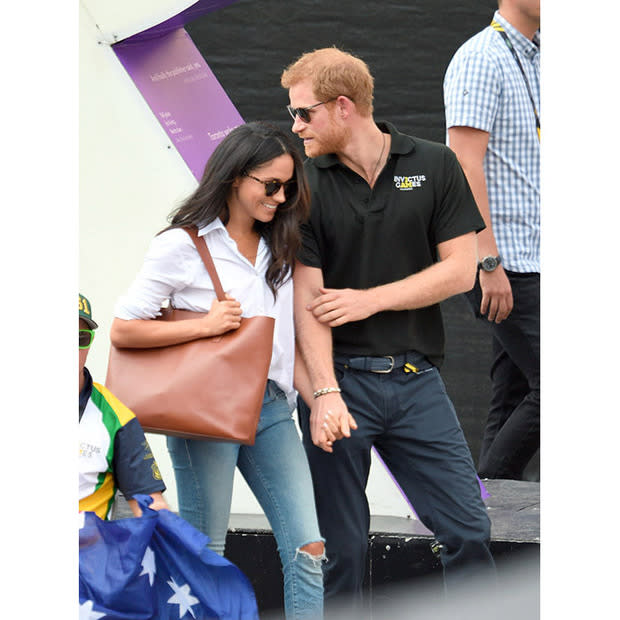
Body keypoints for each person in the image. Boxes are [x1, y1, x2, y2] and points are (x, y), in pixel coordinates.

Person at [280, 47, 495, 611]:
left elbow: (460, 270)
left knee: (469, 532)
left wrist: (368, 301)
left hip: (416, 379)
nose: (295, 125)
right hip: (341, 383)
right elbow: (310, 302)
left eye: (304, 113)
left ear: (343, 107)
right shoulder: (306, 184)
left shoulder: (435, 164)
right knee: (343, 551)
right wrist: (324, 394)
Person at [110, 122, 325, 619]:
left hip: (270, 406)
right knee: (206, 551)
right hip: (206, 409)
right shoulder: (183, 245)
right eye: (270, 185)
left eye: (288, 187)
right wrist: (205, 326)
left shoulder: (282, 247)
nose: (280, 196)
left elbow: (282, 345)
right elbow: (123, 330)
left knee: (308, 546)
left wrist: (321, 400)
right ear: (234, 177)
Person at [443, 0, 540, 480]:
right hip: (506, 262)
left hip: (535, 256)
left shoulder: (539, 57)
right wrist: (487, 261)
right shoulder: (481, 57)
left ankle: (485, 518)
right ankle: (479, 516)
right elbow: (464, 165)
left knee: (515, 391)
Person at [79, 293, 168, 519]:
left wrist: (176, 543)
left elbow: (150, 503)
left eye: (80, 338)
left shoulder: (116, 417)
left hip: (86, 550)